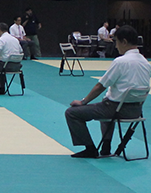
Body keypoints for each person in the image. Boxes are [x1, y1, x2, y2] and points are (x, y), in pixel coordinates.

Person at [65, 25, 151, 158]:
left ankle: (90, 148)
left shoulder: (121, 62)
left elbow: (101, 86)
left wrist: (83, 101)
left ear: (124, 42)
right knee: (105, 103)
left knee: (72, 113)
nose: (116, 46)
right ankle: (105, 147)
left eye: (116, 42)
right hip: (136, 110)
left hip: (116, 109)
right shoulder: (146, 63)